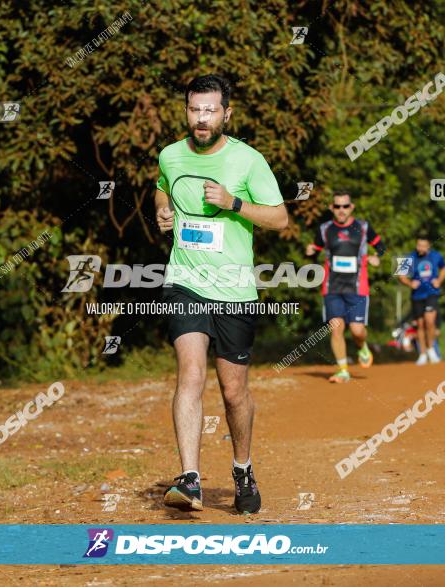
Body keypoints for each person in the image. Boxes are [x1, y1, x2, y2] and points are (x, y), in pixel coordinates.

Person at [153, 74, 288, 514]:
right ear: (186, 111)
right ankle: (190, 479)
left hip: (234, 290)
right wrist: (162, 210)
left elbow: (280, 219)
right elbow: (161, 185)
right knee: (190, 375)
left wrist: (234, 203)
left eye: (211, 110)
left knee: (234, 393)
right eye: (195, 110)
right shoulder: (171, 155)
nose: (202, 118)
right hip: (185, 282)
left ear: (226, 113)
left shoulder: (248, 161)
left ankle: (242, 468)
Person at [306, 191, 386, 382]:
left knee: (357, 330)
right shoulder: (325, 229)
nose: (341, 210)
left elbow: (381, 246)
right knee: (336, 327)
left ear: (352, 207)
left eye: (345, 206)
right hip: (332, 287)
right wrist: (310, 252)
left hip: (357, 287)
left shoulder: (363, 227)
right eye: (337, 206)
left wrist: (377, 257)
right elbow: (315, 252)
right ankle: (343, 370)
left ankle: (362, 346)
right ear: (331, 208)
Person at [398, 235, 445, 365]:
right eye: (418, 245)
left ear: (428, 246)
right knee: (420, 325)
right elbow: (400, 275)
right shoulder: (409, 257)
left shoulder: (436, 256)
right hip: (417, 296)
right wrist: (409, 283)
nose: (420, 248)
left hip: (431, 294)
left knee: (430, 322)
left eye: (423, 246)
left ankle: (431, 349)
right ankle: (422, 354)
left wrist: (439, 281)